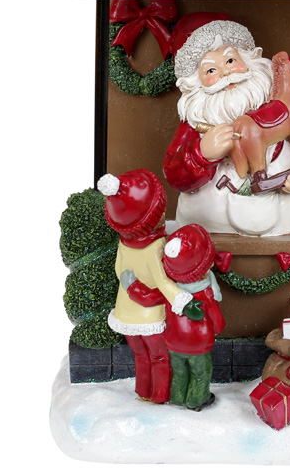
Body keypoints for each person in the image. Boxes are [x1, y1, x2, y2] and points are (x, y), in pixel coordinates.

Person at [163, 17, 290, 236]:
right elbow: (174, 174)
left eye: (230, 60)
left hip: (283, 230)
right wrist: (201, 154)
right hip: (209, 232)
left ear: (248, 61)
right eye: (211, 70)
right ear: (195, 82)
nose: (226, 73)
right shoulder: (197, 121)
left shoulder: (278, 112)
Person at [98, 169, 190, 404]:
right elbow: (162, 281)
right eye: (159, 213)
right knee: (158, 356)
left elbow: (119, 271)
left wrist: (132, 288)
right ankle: (159, 394)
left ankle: (143, 391)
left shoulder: (124, 244)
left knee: (139, 354)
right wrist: (179, 298)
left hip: (125, 312)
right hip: (149, 318)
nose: (164, 216)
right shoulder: (155, 247)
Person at [122, 223, 224, 410]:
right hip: (199, 345)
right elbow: (218, 323)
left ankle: (177, 396)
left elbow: (150, 299)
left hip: (174, 342)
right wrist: (217, 328)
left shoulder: (170, 291)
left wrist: (132, 286)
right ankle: (196, 399)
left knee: (179, 372)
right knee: (200, 372)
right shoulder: (207, 294)